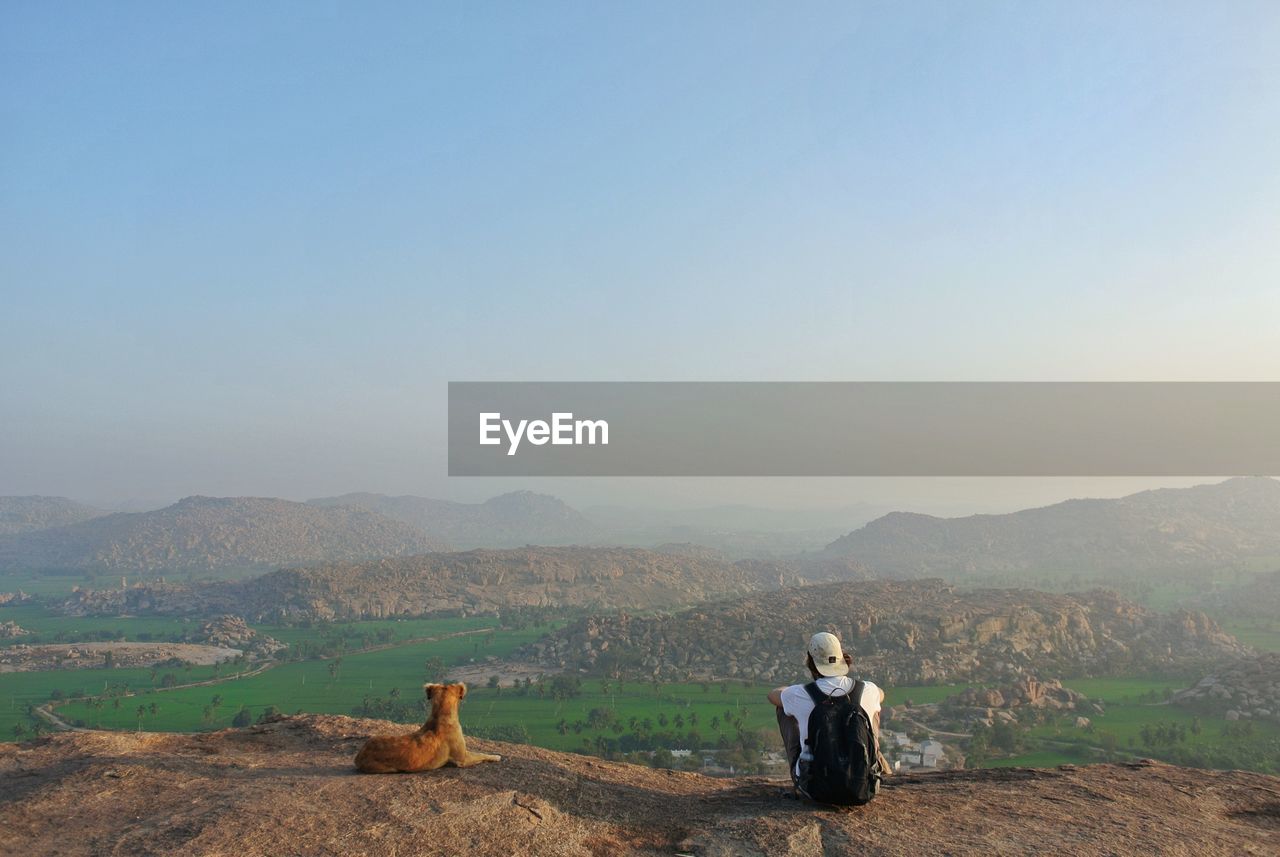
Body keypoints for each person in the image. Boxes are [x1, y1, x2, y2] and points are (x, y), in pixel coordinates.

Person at [767, 631, 885, 794]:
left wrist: (788, 692)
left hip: (815, 789)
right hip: (864, 789)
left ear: (811, 662)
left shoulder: (802, 694)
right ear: (842, 659)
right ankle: (874, 766)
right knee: (873, 710)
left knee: (783, 708)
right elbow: (881, 694)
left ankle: (800, 772)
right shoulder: (866, 690)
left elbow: (772, 695)